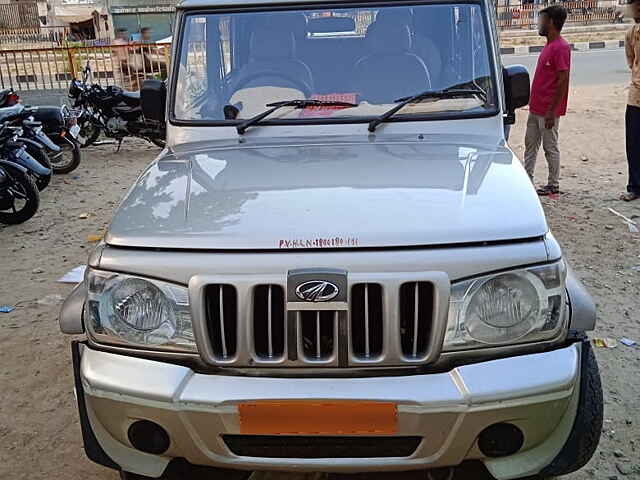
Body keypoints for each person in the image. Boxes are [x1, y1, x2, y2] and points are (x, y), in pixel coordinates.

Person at [523, 5, 571, 196]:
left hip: (548, 111)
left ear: (550, 22)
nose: (539, 24)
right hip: (536, 108)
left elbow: (562, 81)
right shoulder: (549, 46)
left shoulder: (561, 47)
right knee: (530, 145)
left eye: (541, 20)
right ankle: (527, 179)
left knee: (550, 147)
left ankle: (553, 184)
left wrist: (552, 110)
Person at [623, 0, 640, 201]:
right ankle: (635, 186)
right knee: (634, 144)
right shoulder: (630, 34)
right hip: (635, 97)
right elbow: (631, 61)